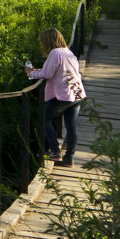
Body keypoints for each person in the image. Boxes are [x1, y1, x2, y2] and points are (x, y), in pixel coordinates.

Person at [24, 28, 87, 167]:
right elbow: (53, 70)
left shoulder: (55, 53)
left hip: (64, 95)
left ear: (47, 41)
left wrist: (31, 73)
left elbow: (47, 74)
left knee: (43, 118)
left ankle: (55, 152)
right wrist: (37, 71)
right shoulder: (68, 52)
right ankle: (69, 159)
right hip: (77, 92)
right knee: (71, 127)